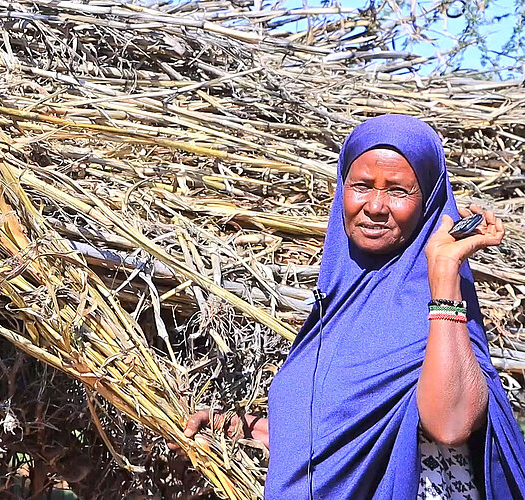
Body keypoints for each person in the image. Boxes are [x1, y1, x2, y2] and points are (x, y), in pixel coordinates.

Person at [173, 115, 525, 498]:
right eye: (361, 186)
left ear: (428, 200)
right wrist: (239, 426)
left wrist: (442, 275)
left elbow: (450, 425)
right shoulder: (338, 303)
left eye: (397, 190)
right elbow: (343, 429)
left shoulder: (442, 303)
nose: (375, 205)